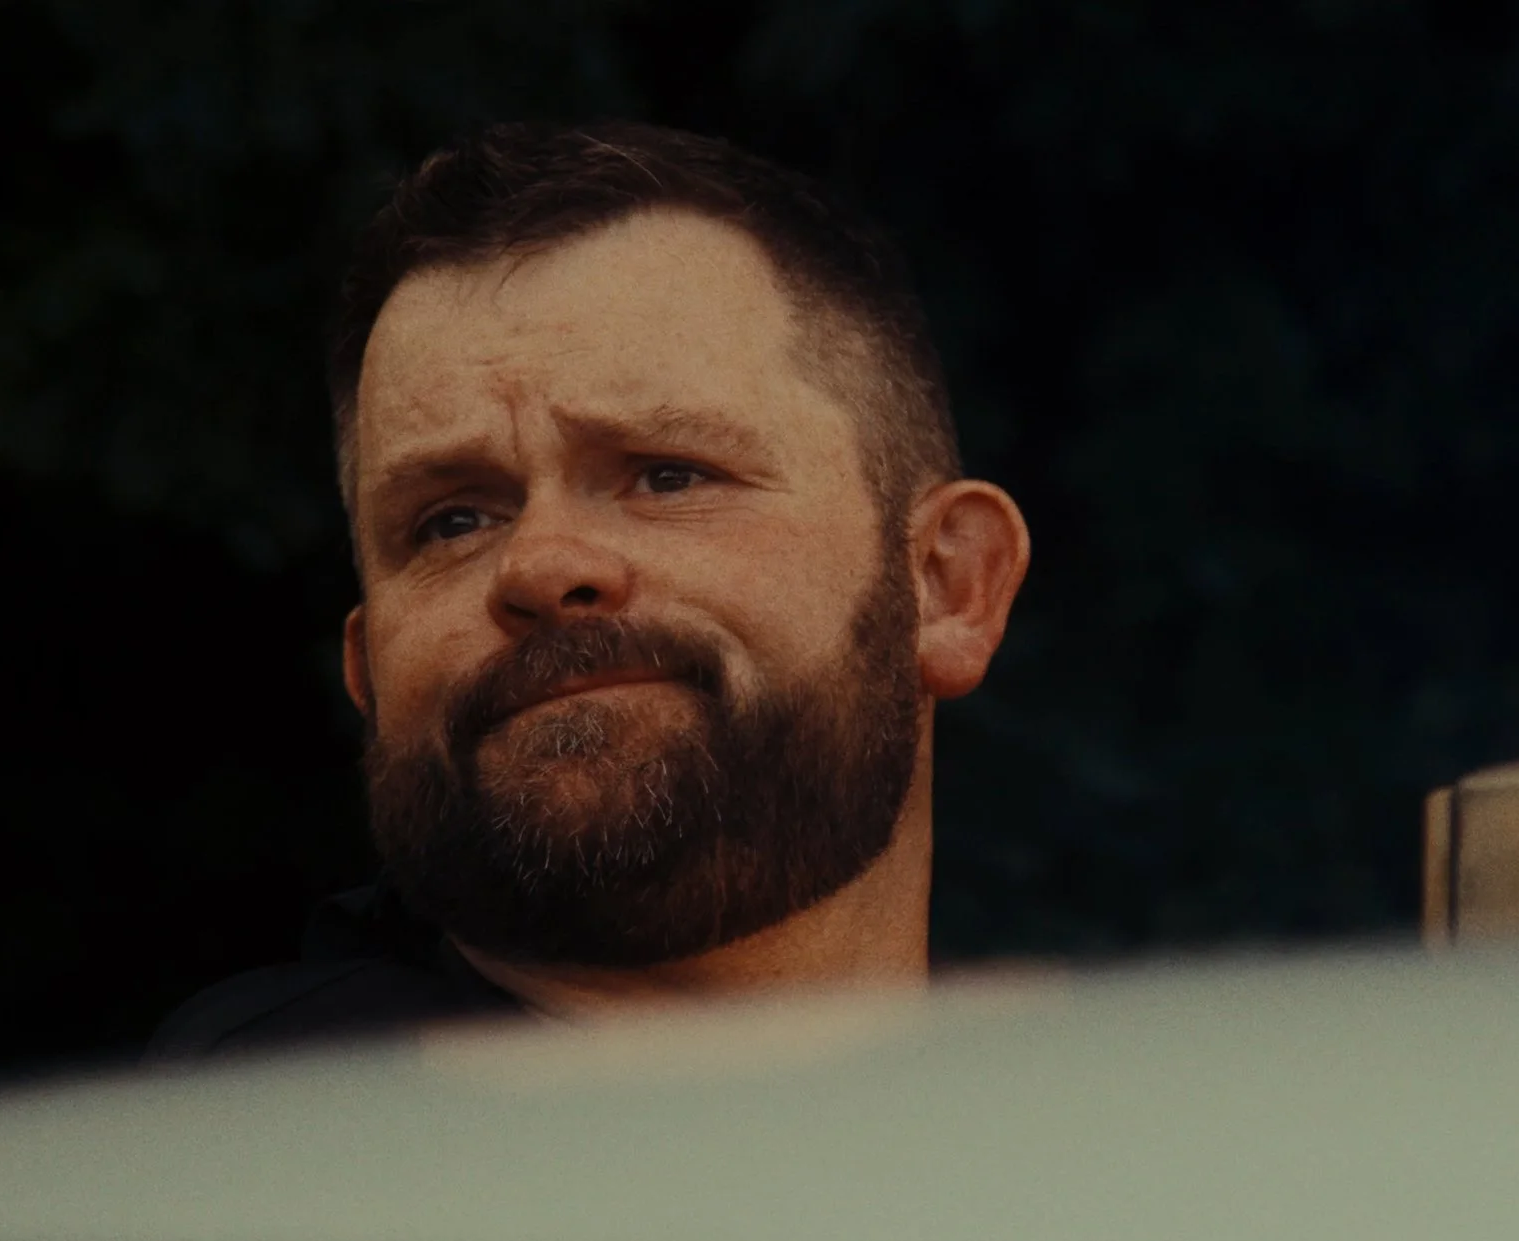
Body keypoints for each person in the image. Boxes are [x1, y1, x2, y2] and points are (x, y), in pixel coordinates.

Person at [147, 120, 1031, 1058]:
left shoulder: (1098, 1159)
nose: (540, 565)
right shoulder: (248, 1156)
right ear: (365, 672)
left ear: (948, 585)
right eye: (452, 522)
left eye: (666, 476)